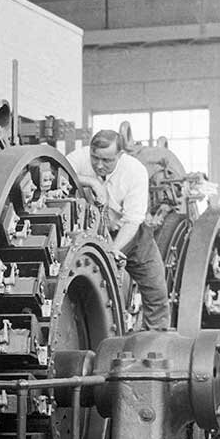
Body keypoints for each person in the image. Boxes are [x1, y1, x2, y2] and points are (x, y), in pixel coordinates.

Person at [67, 130, 170, 330]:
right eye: (95, 158)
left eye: (106, 160)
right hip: (88, 233)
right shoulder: (79, 157)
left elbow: (132, 221)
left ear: (120, 155)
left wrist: (113, 249)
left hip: (131, 236)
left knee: (156, 293)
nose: (98, 164)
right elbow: (56, 172)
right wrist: (92, 182)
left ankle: (156, 341)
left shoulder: (135, 171)